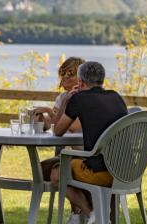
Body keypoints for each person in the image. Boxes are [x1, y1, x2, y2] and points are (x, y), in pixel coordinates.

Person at [50, 61, 128, 224]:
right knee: (68, 164)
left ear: (80, 82)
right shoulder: (117, 97)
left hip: (102, 174)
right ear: (102, 80)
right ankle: (89, 215)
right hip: (125, 172)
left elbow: (57, 131)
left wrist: (66, 101)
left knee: (57, 173)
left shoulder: (79, 99)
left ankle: (94, 214)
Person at [32, 57, 86, 224]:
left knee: (59, 171)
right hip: (69, 153)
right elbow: (55, 126)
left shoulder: (85, 98)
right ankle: (78, 211)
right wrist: (43, 118)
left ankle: (81, 213)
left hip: (86, 153)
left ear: (81, 78)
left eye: (71, 74)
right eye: (63, 73)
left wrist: (50, 111)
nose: (65, 77)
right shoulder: (63, 97)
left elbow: (74, 126)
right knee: (40, 170)